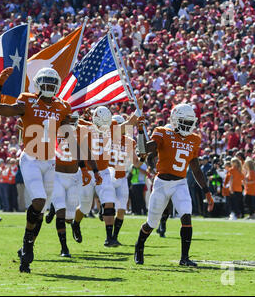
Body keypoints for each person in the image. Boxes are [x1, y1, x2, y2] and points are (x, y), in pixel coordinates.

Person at [0, 66, 72, 273]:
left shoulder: (62, 106)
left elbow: (66, 130)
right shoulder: (27, 100)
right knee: (38, 201)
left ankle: (27, 249)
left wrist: (73, 125)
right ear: (37, 84)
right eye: (45, 83)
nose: (49, 87)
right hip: (31, 159)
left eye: (52, 83)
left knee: (40, 211)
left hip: (50, 161)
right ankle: (27, 246)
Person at [134, 104, 214, 267]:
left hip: (180, 183)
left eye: (189, 121)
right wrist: (141, 130)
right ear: (176, 120)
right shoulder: (163, 132)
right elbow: (143, 150)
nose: (187, 125)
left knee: (186, 215)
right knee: (152, 223)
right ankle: (139, 246)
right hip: (162, 183)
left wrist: (206, 191)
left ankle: (184, 258)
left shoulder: (194, 139)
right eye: (184, 121)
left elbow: (196, 168)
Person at [71, 104, 141, 247]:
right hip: (88, 171)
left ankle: (109, 238)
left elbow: (129, 123)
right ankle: (75, 223)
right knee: (85, 207)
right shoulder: (84, 127)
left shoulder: (112, 127)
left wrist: (137, 108)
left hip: (104, 171)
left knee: (109, 202)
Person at [51, 111, 101, 257]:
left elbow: (87, 153)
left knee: (68, 218)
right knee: (61, 212)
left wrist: (96, 172)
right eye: (69, 119)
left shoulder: (80, 134)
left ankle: (56, 209)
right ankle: (64, 248)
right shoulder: (54, 131)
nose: (72, 122)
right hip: (57, 176)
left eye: (74, 120)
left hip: (73, 177)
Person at [108, 114, 145, 245]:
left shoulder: (129, 141)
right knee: (109, 206)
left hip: (122, 176)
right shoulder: (107, 138)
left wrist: (143, 158)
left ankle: (114, 237)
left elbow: (136, 163)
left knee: (122, 209)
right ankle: (109, 234)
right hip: (109, 174)